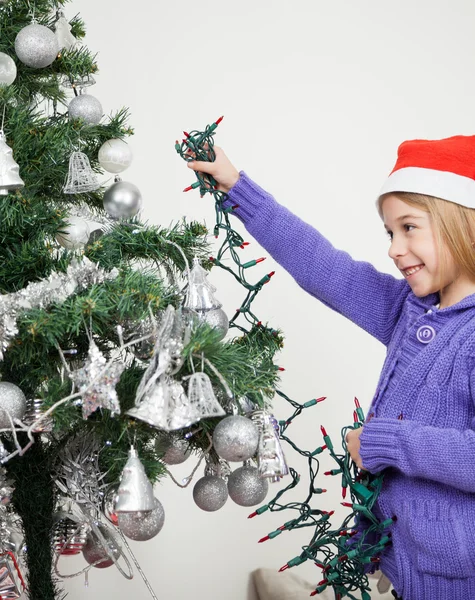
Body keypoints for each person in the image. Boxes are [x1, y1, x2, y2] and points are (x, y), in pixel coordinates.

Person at [186, 135, 475, 600]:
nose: (394, 249)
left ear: (463, 226)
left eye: (409, 228)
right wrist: (237, 186)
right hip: (406, 567)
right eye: (389, 232)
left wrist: (384, 441)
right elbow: (324, 267)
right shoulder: (411, 307)